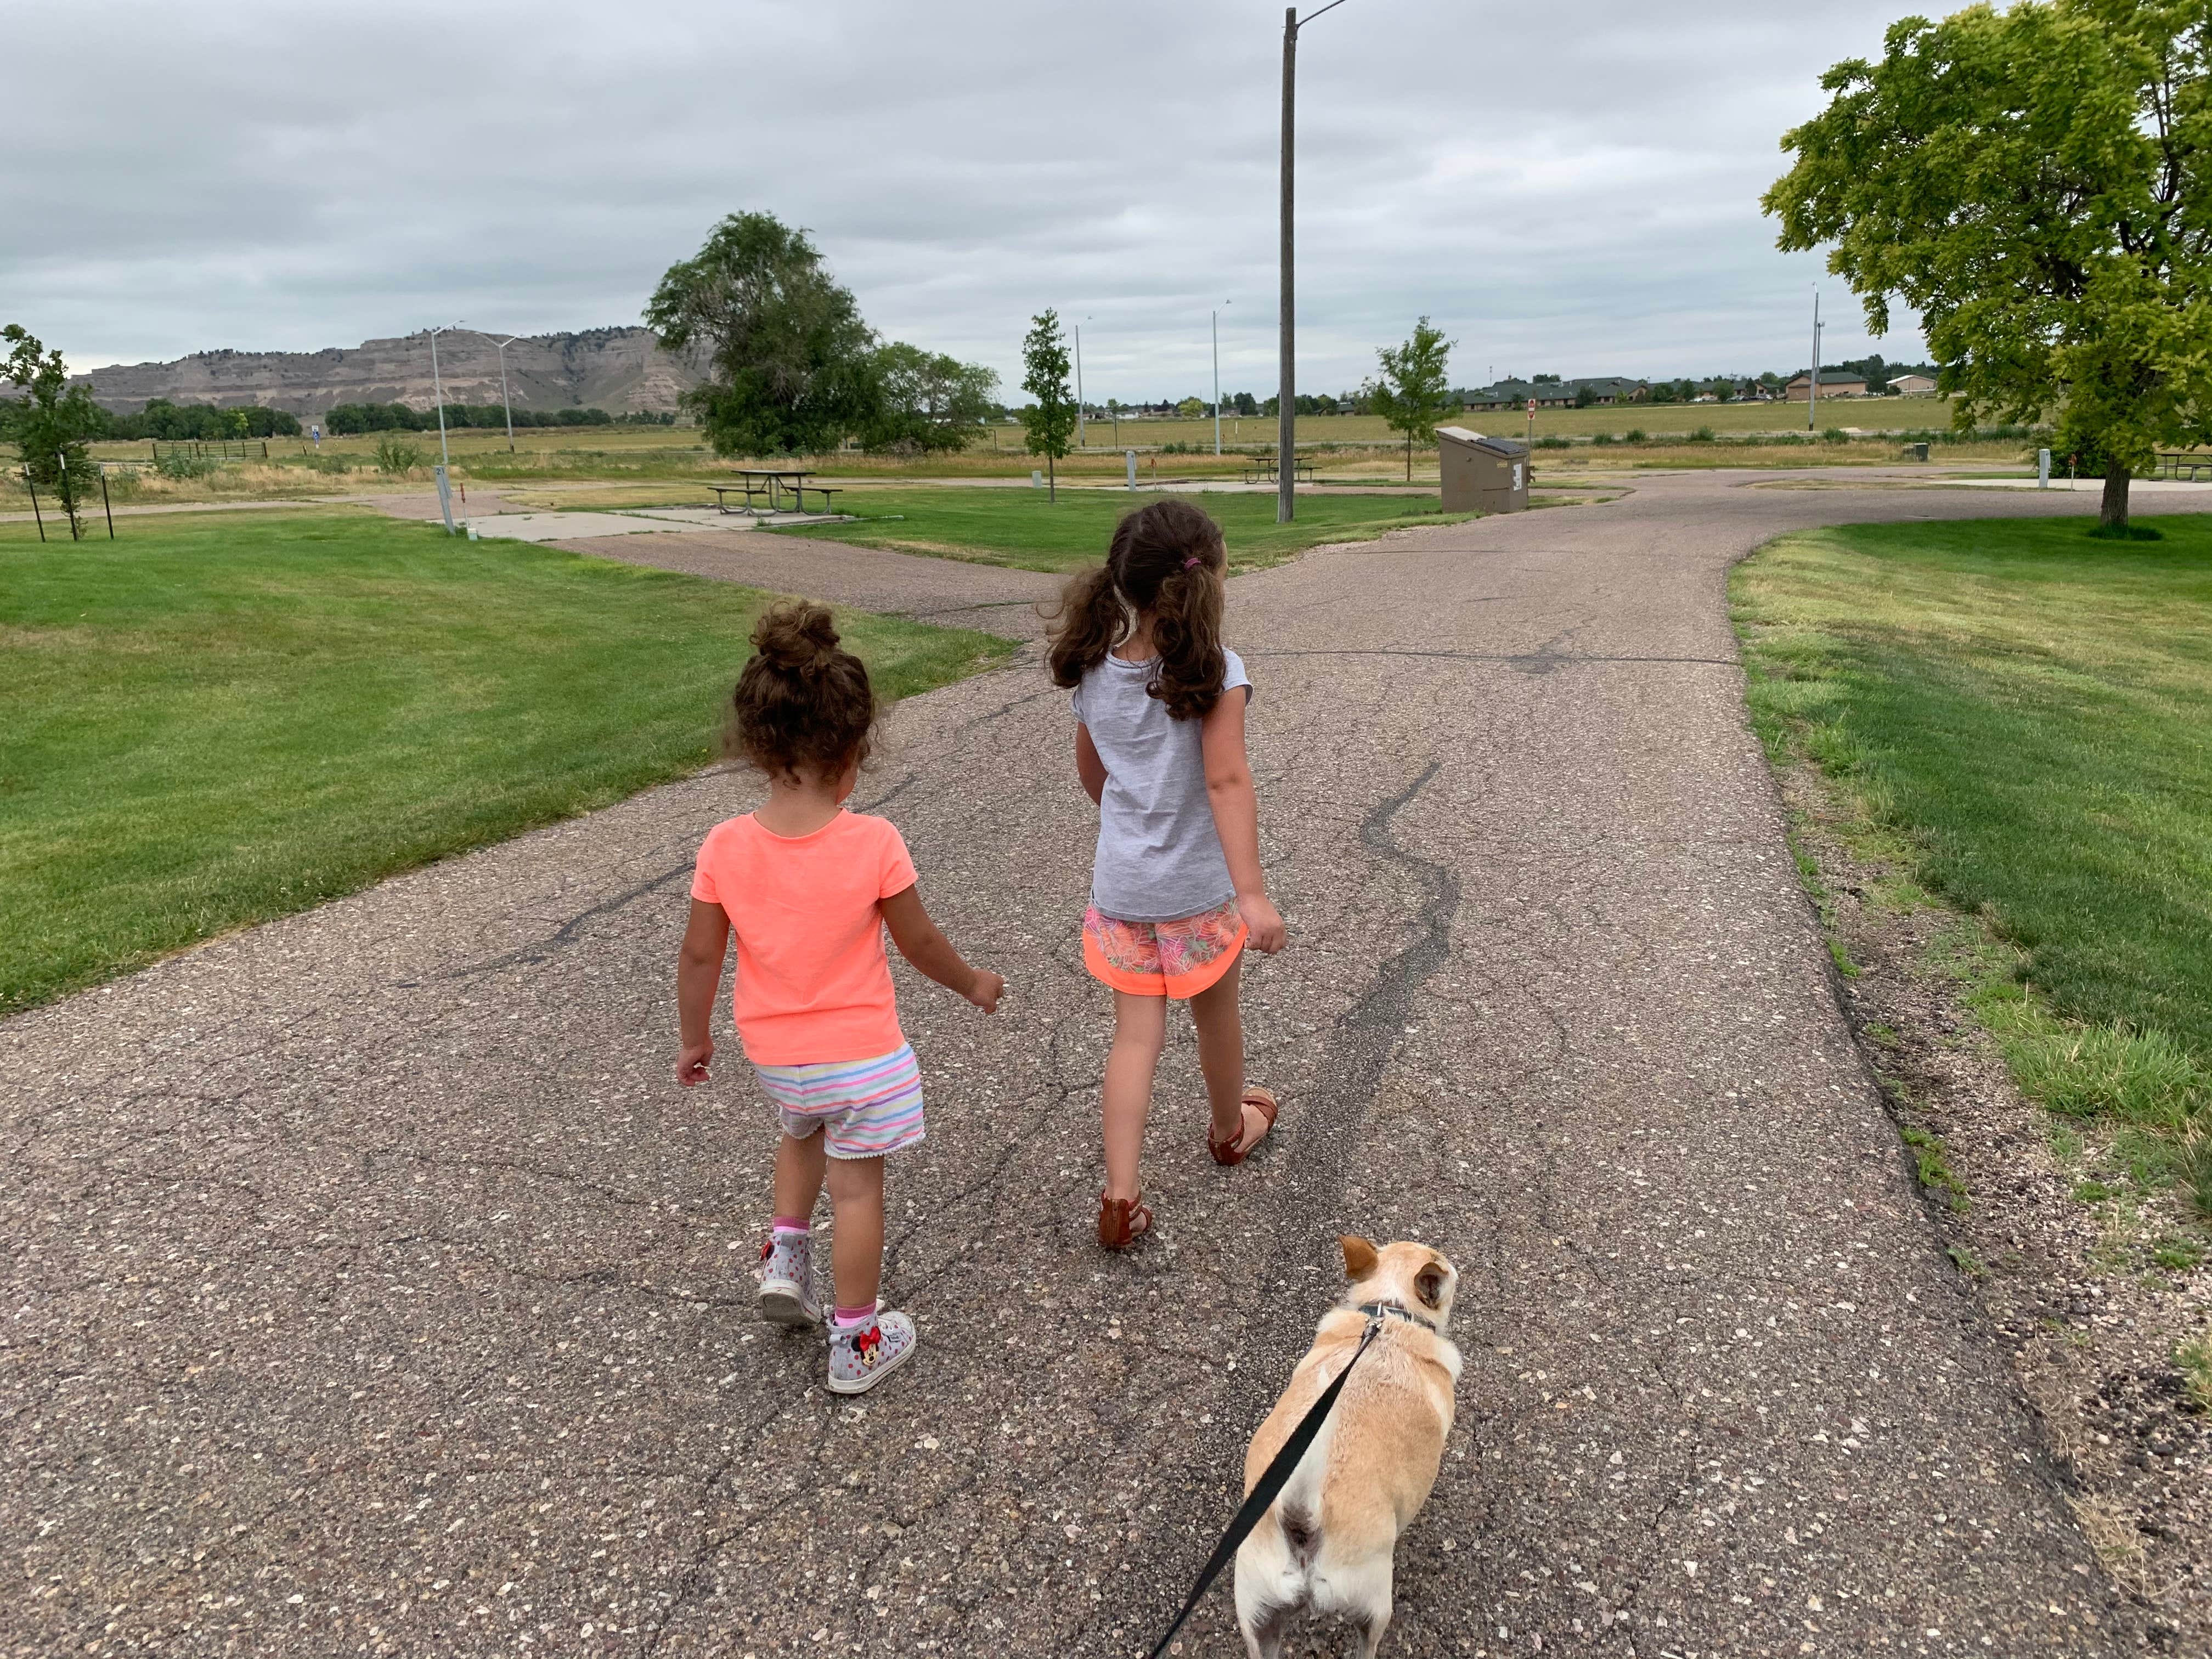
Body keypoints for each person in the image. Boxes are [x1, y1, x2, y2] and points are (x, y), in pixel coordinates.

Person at [675, 602, 1003, 1393]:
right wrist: (973, 983)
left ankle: (785, 1253)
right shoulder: (873, 842)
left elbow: (698, 954)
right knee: (858, 1190)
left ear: (757, 748)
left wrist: (695, 1039)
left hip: (780, 1059)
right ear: (853, 754)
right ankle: (856, 1341)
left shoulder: (725, 846)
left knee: (802, 1133)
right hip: (861, 1060)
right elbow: (918, 943)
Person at [1048, 498, 1287, 1250]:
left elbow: (1096, 774)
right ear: (1206, 582)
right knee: (1215, 1014)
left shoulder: (1094, 672)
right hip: (1194, 892)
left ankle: (1121, 1190)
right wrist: (1250, 891)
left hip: (1122, 889)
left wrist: (1129, 825)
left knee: (1133, 1039)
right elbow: (1226, 782)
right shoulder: (1217, 673)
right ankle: (1227, 1129)